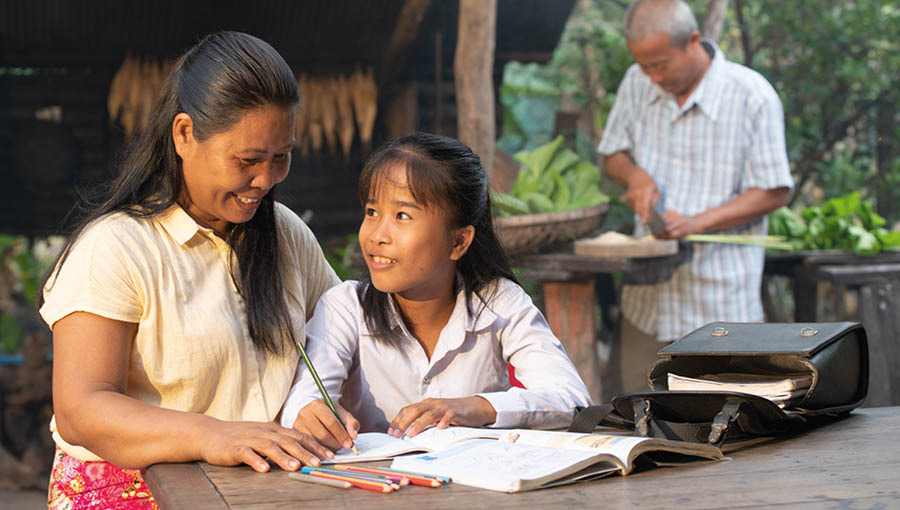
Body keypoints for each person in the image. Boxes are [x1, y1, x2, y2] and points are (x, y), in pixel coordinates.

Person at [38, 31, 339, 509]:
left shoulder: (285, 234)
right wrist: (211, 436)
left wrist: (317, 399)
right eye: (247, 160)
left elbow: (342, 332)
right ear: (184, 134)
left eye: (281, 158)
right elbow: (81, 409)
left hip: (258, 491)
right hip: (128, 494)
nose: (265, 180)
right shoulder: (115, 248)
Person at [280, 133, 592, 450]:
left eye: (402, 216)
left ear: (458, 242)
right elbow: (304, 397)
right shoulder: (345, 307)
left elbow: (572, 400)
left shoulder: (499, 302)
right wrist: (311, 413)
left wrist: (477, 406)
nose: (376, 235)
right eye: (372, 212)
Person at [598, 0, 793, 394]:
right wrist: (633, 175)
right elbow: (612, 154)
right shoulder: (637, 82)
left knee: (729, 434)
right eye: (644, 66)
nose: (652, 77)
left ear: (693, 41)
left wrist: (694, 224)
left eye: (661, 65)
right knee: (642, 424)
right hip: (646, 306)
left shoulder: (752, 95)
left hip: (720, 309)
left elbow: (774, 190)